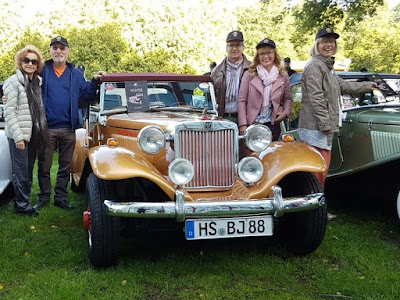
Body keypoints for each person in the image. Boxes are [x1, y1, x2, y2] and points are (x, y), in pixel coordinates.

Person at [298, 28, 377, 189]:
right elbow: (316, 98)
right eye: (324, 41)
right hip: (315, 127)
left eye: (332, 42)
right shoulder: (314, 66)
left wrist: (369, 85)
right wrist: (325, 124)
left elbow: (344, 85)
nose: (329, 45)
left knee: (322, 168)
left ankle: (318, 206)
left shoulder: (327, 67)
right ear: (317, 44)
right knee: (317, 169)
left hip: (323, 126)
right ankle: (315, 210)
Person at [34, 36, 106, 210]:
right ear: (50, 51)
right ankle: (43, 198)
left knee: (65, 166)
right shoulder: (42, 70)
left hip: (68, 128)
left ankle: (61, 198)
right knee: (44, 166)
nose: (58, 51)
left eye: (62, 48)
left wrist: (95, 81)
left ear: (68, 51)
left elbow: (86, 95)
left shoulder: (75, 73)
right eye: (55, 48)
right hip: (46, 128)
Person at [3, 45, 47, 216]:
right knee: (20, 171)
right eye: (26, 60)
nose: (30, 64)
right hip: (19, 134)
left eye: (34, 61)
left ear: (37, 65)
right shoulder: (13, 81)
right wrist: (18, 137)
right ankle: (22, 206)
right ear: (20, 62)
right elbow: (9, 111)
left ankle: (23, 200)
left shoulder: (37, 82)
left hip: (33, 133)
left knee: (28, 170)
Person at [238, 38, 292, 141]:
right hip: (252, 125)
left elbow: (288, 98)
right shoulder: (249, 75)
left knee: (271, 155)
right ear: (257, 57)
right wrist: (243, 125)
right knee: (253, 156)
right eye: (262, 54)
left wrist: (285, 113)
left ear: (275, 54)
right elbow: (242, 101)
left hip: (273, 125)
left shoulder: (282, 75)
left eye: (269, 53)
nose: (265, 56)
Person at [211, 30, 251, 123]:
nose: (234, 49)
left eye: (237, 45)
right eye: (231, 45)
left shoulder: (252, 69)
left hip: (247, 119)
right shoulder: (216, 71)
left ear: (243, 47)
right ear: (226, 48)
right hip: (223, 118)